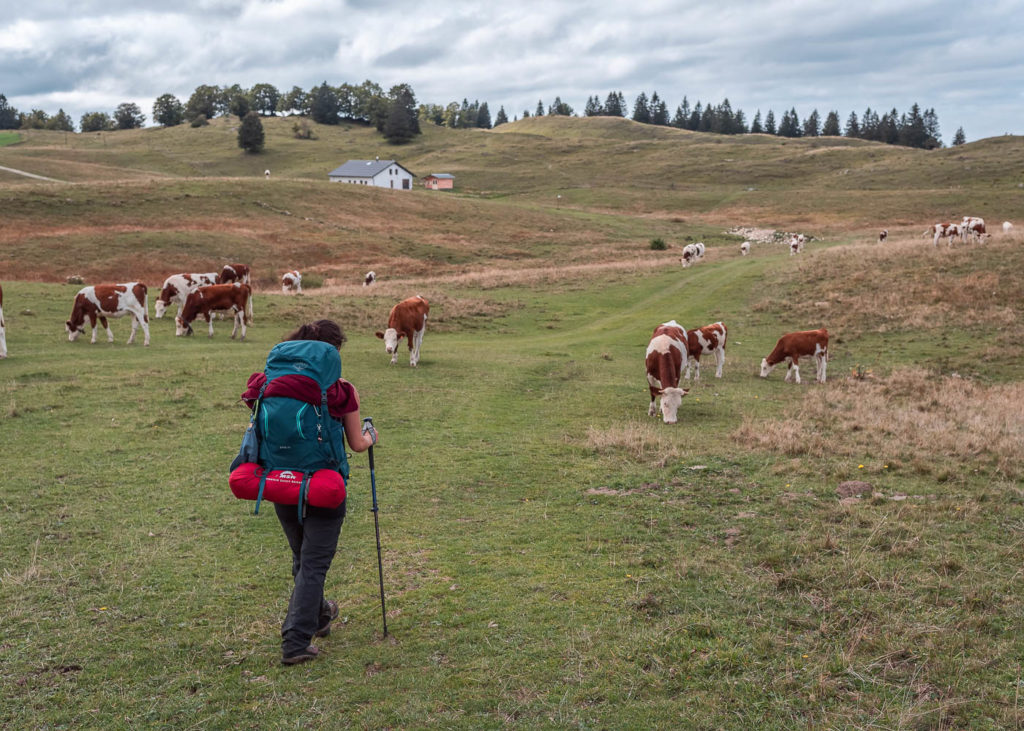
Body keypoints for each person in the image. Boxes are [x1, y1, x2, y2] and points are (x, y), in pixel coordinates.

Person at [240, 319, 378, 665]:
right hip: (322, 484)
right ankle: (296, 641)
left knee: (304, 557)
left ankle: (318, 617)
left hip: (279, 482)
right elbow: (358, 444)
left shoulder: (267, 383)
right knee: (314, 563)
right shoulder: (341, 391)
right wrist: (372, 436)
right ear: (332, 353)